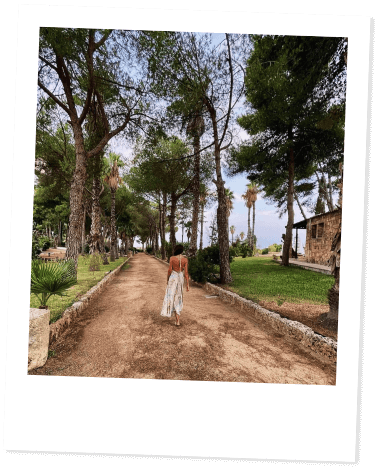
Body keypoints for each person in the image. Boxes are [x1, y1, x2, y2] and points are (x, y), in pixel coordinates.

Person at [160, 244, 190, 326]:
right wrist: (187, 284)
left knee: (170, 296)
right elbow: (186, 273)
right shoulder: (185, 259)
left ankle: (169, 312)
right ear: (182, 250)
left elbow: (169, 270)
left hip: (173, 277)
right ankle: (177, 320)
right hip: (180, 277)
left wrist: (167, 280)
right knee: (178, 297)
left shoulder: (172, 258)